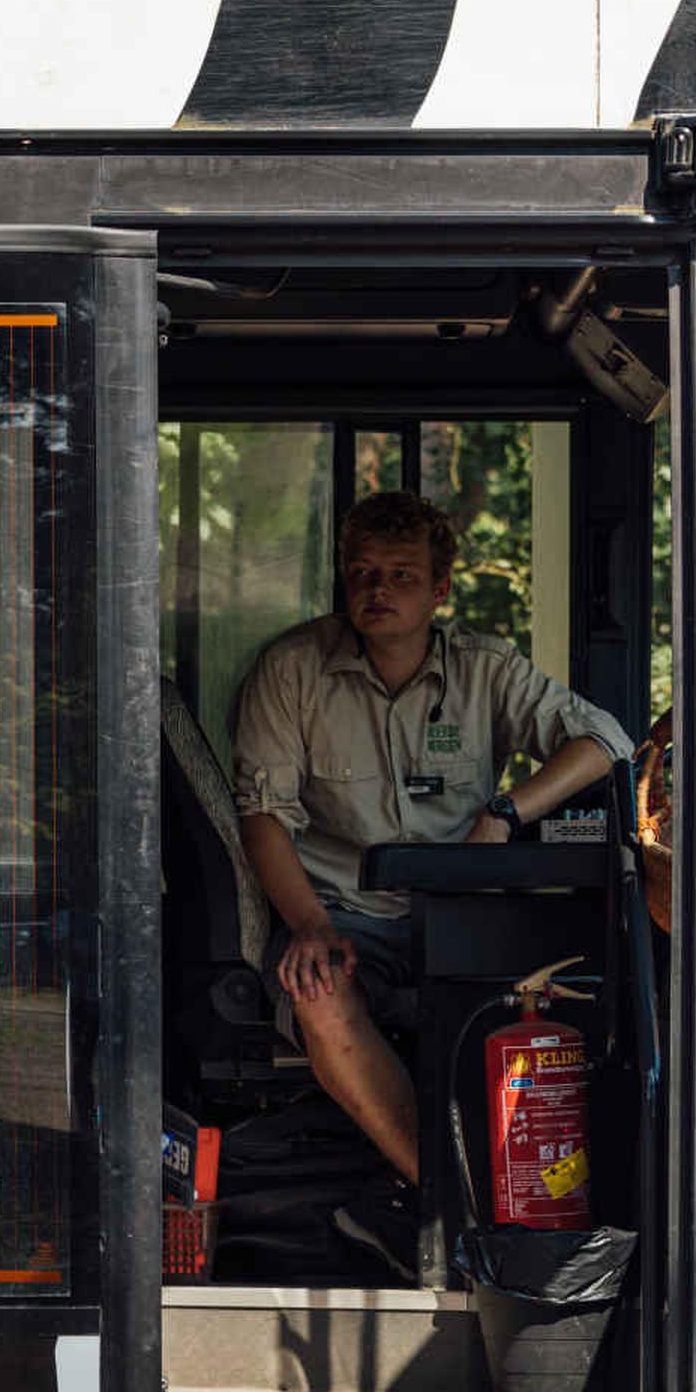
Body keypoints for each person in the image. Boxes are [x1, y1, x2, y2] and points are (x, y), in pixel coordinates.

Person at [230, 489, 631, 1212]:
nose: (377, 589)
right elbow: (262, 817)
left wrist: (505, 812)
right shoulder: (292, 670)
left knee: (581, 996)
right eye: (362, 573)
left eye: (401, 575)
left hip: (465, 918)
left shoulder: (487, 671)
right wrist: (310, 926)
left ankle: (558, 1207)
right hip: (342, 914)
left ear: (440, 589)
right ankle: (451, 1203)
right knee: (318, 995)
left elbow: (605, 742)